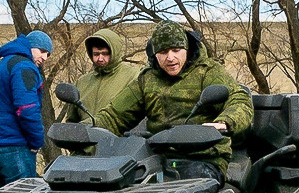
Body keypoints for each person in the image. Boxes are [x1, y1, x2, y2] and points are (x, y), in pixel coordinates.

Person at [94, 25, 253, 167]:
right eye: (163, 52)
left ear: (187, 49)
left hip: (204, 158)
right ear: (155, 54)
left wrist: (224, 122)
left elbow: (239, 99)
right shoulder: (147, 79)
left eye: (176, 50)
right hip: (156, 158)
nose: (170, 58)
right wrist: (83, 129)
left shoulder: (208, 71)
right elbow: (114, 116)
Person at [0, 30, 52, 192]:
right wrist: (36, 142)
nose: (45, 58)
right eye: (42, 51)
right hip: (13, 147)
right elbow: (26, 109)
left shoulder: (1, 66)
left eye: (48, 54)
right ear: (30, 47)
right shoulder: (24, 66)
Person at [59, 28, 142, 126]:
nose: (100, 59)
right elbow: (72, 121)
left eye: (105, 54)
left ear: (115, 52)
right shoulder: (82, 82)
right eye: (96, 54)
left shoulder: (133, 76)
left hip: (119, 139)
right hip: (85, 138)